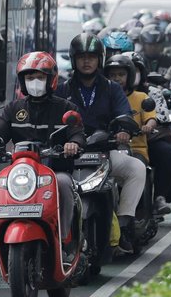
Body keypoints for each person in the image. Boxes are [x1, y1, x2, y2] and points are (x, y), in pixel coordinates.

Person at [0, 51, 84, 252]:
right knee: (1, 185)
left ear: (51, 79)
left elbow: (77, 133)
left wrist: (74, 144)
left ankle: (64, 241)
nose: (35, 82)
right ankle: (1, 242)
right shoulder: (13, 109)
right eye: (30, 77)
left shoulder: (65, 107)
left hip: (55, 171)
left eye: (40, 77)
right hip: (23, 173)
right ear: (23, 81)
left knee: (63, 185)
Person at [55, 33, 147, 253]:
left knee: (137, 168)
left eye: (92, 57)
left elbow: (124, 113)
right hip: (69, 156)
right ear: (74, 59)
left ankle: (124, 224)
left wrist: (124, 130)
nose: (87, 61)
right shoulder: (63, 89)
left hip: (104, 152)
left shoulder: (111, 88)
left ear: (100, 59)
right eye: (82, 57)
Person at [104, 54, 171, 215]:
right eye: (113, 75)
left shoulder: (141, 97)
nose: (117, 78)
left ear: (130, 76)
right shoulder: (103, 97)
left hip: (136, 150)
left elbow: (151, 118)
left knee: (139, 169)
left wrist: (148, 126)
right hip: (108, 150)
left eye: (121, 75)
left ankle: (137, 213)